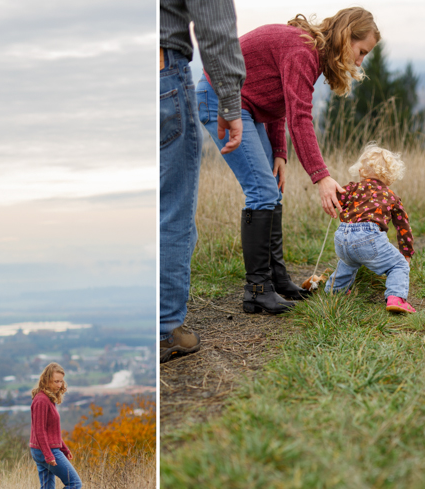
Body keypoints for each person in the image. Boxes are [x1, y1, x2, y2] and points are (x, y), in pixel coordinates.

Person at [196, 8, 380, 314]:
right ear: (347, 36)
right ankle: (257, 291)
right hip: (220, 99)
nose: (360, 62)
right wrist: (321, 177)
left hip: (248, 106)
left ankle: (277, 279)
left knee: (272, 189)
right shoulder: (303, 51)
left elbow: (277, 101)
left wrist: (279, 152)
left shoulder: (311, 52)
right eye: (361, 52)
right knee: (262, 192)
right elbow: (300, 118)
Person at [160, 0, 246, 362]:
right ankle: (165, 328)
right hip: (161, 70)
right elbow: (214, 22)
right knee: (172, 210)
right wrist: (230, 102)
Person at [325, 143, 416, 313]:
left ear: (360, 170)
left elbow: (334, 199)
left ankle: (334, 293)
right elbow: (403, 227)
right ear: (390, 177)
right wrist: (406, 252)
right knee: (399, 266)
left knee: (348, 262)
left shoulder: (352, 188)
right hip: (368, 237)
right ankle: (396, 298)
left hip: (342, 237)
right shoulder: (392, 196)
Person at [29, 363, 82, 489]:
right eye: (55, 381)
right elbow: (39, 431)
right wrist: (49, 454)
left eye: (61, 381)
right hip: (45, 451)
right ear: (46, 380)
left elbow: (51, 430)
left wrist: (63, 447)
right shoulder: (41, 400)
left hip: (45, 449)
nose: (59, 385)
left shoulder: (48, 398)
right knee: (74, 483)